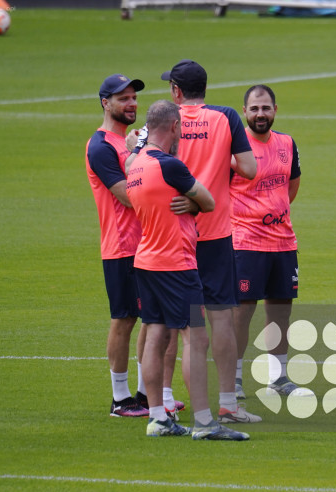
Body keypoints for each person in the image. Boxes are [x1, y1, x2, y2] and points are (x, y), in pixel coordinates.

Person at [127, 99, 248, 440]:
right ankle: (205, 423)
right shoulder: (170, 166)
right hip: (177, 265)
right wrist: (194, 203)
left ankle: (158, 418)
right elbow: (209, 201)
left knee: (155, 334)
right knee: (196, 338)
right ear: (174, 126)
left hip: (146, 262)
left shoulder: (137, 164)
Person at [160, 60, 260, 424]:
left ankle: (187, 407)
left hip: (178, 236)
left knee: (188, 328)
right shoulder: (226, 117)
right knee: (221, 319)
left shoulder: (166, 120)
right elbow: (249, 169)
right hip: (216, 235)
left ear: (176, 90)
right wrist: (220, 162)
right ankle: (229, 404)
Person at [230, 85, 301, 398]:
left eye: (266, 108)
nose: (261, 114)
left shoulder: (287, 143)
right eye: (255, 108)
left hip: (283, 242)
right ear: (244, 111)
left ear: (275, 110)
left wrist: (273, 212)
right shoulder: (234, 148)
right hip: (245, 243)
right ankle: (233, 379)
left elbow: (292, 185)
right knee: (242, 312)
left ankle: (279, 377)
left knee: (281, 312)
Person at [86, 73, 149, 418]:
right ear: (105, 103)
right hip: (123, 246)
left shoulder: (128, 140)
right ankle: (120, 399)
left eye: (134, 97)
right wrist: (141, 152)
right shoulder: (101, 146)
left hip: (147, 243)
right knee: (124, 319)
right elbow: (127, 196)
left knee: (152, 319)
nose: (131, 103)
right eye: (123, 98)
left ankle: (146, 394)